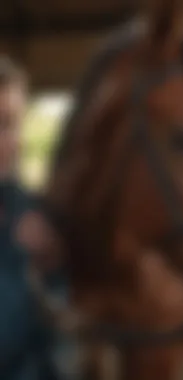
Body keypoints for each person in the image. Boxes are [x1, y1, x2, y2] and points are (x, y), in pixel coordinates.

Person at [0, 56, 61, 380]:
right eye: (2, 124)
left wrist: (49, 270)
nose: (14, 141)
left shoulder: (28, 209)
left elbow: (54, 341)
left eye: (15, 124)